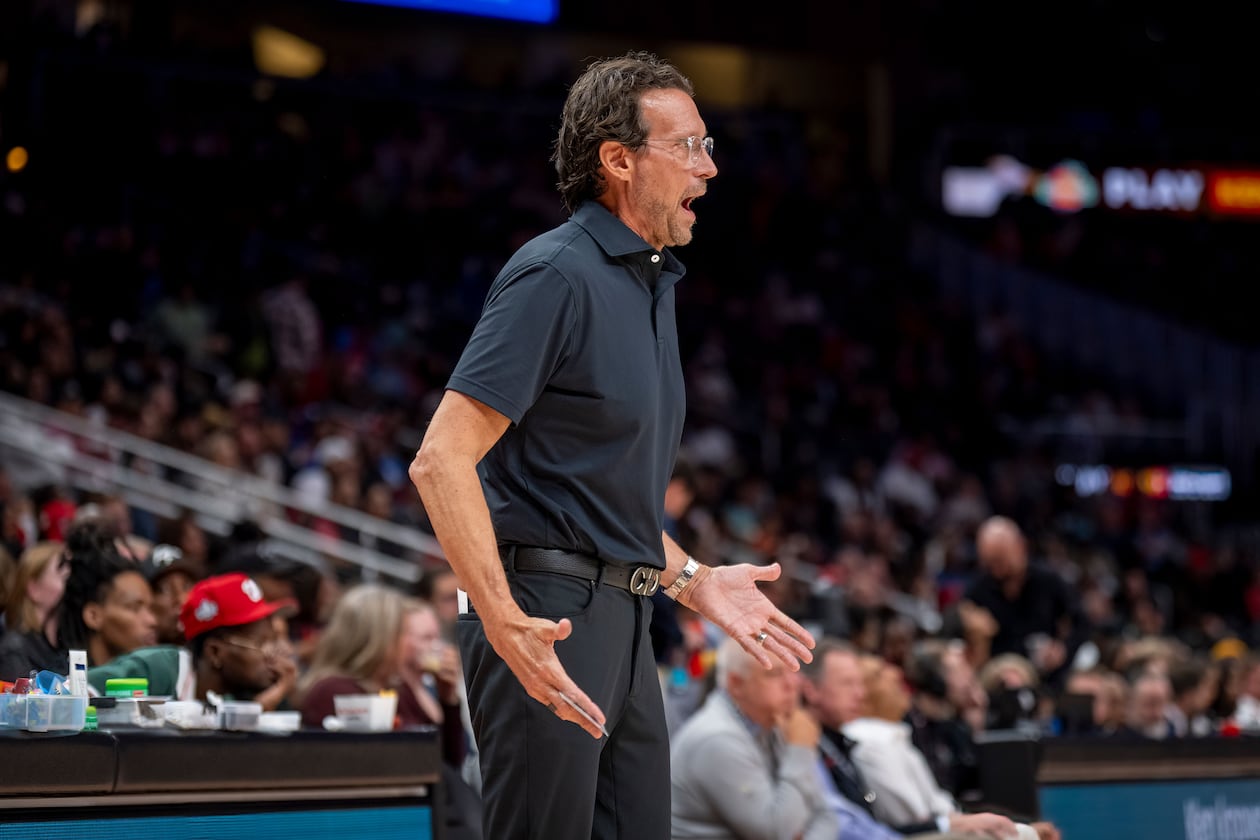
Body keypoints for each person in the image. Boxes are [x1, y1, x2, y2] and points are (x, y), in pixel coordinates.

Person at [409, 51, 815, 840]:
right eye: (690, 146)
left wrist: (693, 581)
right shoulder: (555, 274)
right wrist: (499, 617)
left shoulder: (649, 283)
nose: (711, 166)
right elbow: (441, 458)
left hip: (625, 612)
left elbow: (590, 498)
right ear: (618, 161)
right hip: (547, 617)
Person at [800, 640, 1054, 840]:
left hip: (898, 831)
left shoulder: (845, 740)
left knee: (1015, 832)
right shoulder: (865, 741)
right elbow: (900, 817)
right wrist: (956, 823)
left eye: (860, 684)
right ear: (811, 689)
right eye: (847, 684)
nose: (860, 694)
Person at [670, 636, 837, 839]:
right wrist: (800, 750)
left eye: (794, 672)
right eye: (775, 674)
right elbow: (775, 832)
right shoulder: (716, 739)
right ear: (736, 684)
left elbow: (826, 815)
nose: (792, 684)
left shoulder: (774, 722)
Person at [88, 572, 299, 710]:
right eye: (262, 643)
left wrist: (270, 702)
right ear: (215, 652)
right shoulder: (158, 670)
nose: (274, 656)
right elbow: (72, 691)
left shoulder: (248, 691)